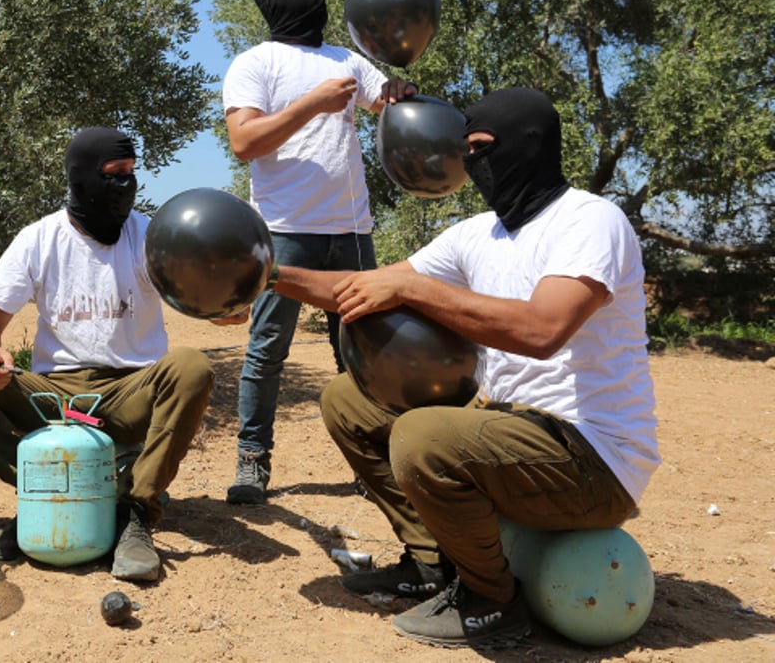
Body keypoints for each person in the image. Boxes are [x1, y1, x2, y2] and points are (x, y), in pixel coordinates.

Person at [271, 88, 660, 648]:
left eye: (483, 147)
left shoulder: (589, 221)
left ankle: (491, 604)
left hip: (594, 458)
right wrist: (264, 271)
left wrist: (416, 288)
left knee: (422, 436)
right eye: (467, 149)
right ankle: (432, 564)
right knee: (347, 400)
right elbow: (365, 288)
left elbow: (541, 330)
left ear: (529, 145)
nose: (473, 163)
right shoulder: (478, 233)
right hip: (512, 433)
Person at [0, 126, 223, 583]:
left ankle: (135, 512)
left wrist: (226, 306)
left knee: (193, 367)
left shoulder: (150, 235)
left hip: (131, 389)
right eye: (113, 174)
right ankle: (39, 492)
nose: (125, 185)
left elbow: (202, 298)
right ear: (81, 176)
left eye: (131, 173)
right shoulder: (38, 238)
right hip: (53, 396)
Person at [221, 0, 417, 505]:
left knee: (359, 353)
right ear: (276, 0)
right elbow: (244, 142)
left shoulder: (347, 59)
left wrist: (396, 91)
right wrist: (313, 103)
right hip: (283, 233)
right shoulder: (254, 63)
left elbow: (386, 101)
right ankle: (252, 463)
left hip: (352, 232)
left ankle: (370, 462)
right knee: (266, 351)